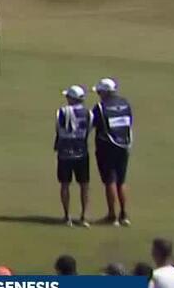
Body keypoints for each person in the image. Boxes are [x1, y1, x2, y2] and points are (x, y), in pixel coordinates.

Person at [89, 77, 133, 225]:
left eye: (100, 92)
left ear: (105, 92)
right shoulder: (125, 103)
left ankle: (112, 215)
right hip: (124, 146)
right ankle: (124, 215)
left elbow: (91, 124)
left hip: (107, 148)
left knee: (110, 181)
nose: (99, 95)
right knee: (121, 181)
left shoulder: (100, 107)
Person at [55, 85, 92, 225]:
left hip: (65, 153)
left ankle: (67, 216)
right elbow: (88, 130)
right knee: (84, 185)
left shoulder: (61, 112)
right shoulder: (88, 113)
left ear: (71, 98)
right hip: (82, 152)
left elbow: (58, 129)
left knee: (65, 184)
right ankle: (84, 217)